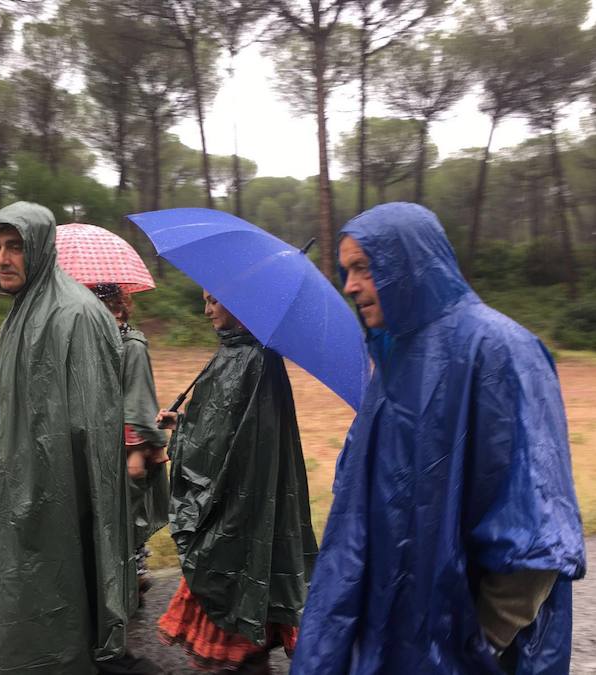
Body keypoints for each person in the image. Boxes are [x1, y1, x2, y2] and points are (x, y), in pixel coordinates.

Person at [291, 202, 587, 675]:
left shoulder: (501, 351)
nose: (349, 287)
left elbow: (537, 534)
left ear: (409, 262)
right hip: (398, 637)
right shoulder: (393, 358)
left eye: (364, 268)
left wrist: (481, 644)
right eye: (347, 271)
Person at [0, 202, 157, 675]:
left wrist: (49, 486)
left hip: (57, 492)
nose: (3, 259)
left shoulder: (77, 314)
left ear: (38, 248)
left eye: (14, 246)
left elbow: (91, 428)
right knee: (21, 588)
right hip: (15, 486)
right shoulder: (19, 313)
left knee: (61, 584)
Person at [155, 290, 318, 674]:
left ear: (241, 306)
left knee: (232, 604)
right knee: (240, 607)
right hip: (241, 505)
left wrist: (181, 440)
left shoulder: (251, 360)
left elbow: (223, 448)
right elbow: (226, 432)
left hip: (236, 510)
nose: (206, 309)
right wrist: (182, 423)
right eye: (205, 300)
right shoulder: (241, 354)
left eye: (215, 301)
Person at [90, 283, 170, 606]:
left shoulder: (132, 346)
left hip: (130, 451)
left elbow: (137, 403)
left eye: (106, 308)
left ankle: (133, 578)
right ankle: (122, 580)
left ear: (120, 310)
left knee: (130, 515)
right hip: (106, 447)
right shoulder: (102, 345)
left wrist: (138, 451)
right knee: (113, 514)